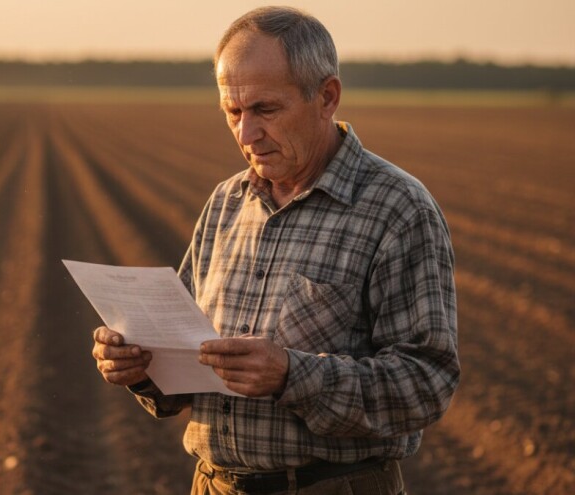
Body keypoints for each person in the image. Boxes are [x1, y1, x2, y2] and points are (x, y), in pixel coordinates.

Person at [91, 6, 458, 495]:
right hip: (213, 485)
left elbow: (426, 383)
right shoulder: (226, 202)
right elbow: (183, 361)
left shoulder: (397, 208)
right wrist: (139, 366)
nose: (246, 134)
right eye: (232, 112)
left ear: (326, 97)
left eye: (265, 109)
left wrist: (293, 374)